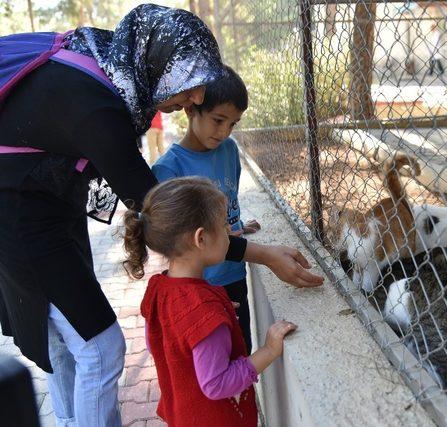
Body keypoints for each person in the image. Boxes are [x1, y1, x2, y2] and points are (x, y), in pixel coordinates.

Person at [0, 5, 322, 426]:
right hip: (19, 214)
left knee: (64, 341)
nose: (197, 99)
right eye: (189, 83)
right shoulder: (96, 110)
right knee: (99, 347)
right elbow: (172, 214)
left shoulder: (109, 63)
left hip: (48, 201)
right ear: (160, 64)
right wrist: (263, 254)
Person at [123, 177, 296, 427]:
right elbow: (216, 384)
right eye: (224, 224)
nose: (229, 231)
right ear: (200, 238)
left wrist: (213, 318)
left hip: (182, 415)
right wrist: (268, 350)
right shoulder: (203, 309)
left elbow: (158, 343)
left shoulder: (158, 288)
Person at [153, 66, 258, 351]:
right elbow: (170, 240)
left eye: (233, 123)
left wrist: (236, 227)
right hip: (200, 286)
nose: (224, 132)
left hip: (235, 274)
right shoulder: (168, 170)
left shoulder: (229, 150)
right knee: (211, 368)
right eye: (218, 120)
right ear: (190, 109)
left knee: (241, 351)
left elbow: (228, 201)